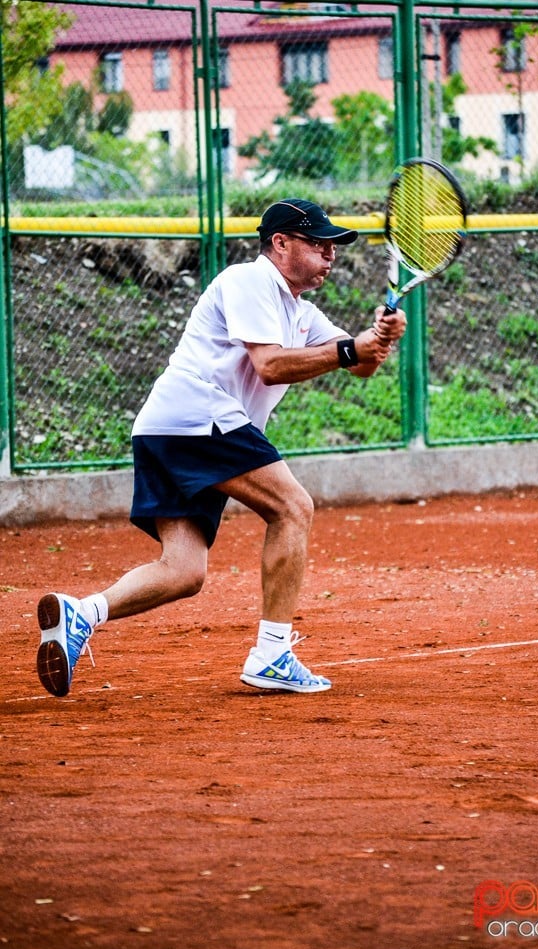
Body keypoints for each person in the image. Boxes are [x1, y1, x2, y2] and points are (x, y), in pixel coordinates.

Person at [36, 198, 406, 697]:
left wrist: (379, 340)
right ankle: (272, 654)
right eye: (318, 243)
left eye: (332, 245)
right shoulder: (249, 281)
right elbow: (271, 365)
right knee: (293, 507)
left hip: (167, 428)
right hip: (198, 417)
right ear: (280, 244)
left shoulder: (301, 311)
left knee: (184, 571)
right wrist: (349, 349)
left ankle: (82, 613)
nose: (329, 253)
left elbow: (358, 364)